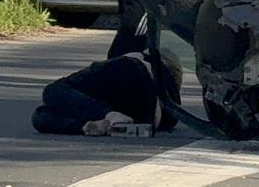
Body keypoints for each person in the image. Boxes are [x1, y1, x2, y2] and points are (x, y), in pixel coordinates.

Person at [31, 52, 181, 136]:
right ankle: (88, 126)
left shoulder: (143, 59)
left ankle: (108, 115)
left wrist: (107, 112)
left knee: (53, 90)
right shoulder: (174, 107)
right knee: (40, 116)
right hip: (150, 117)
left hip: (135, 73)